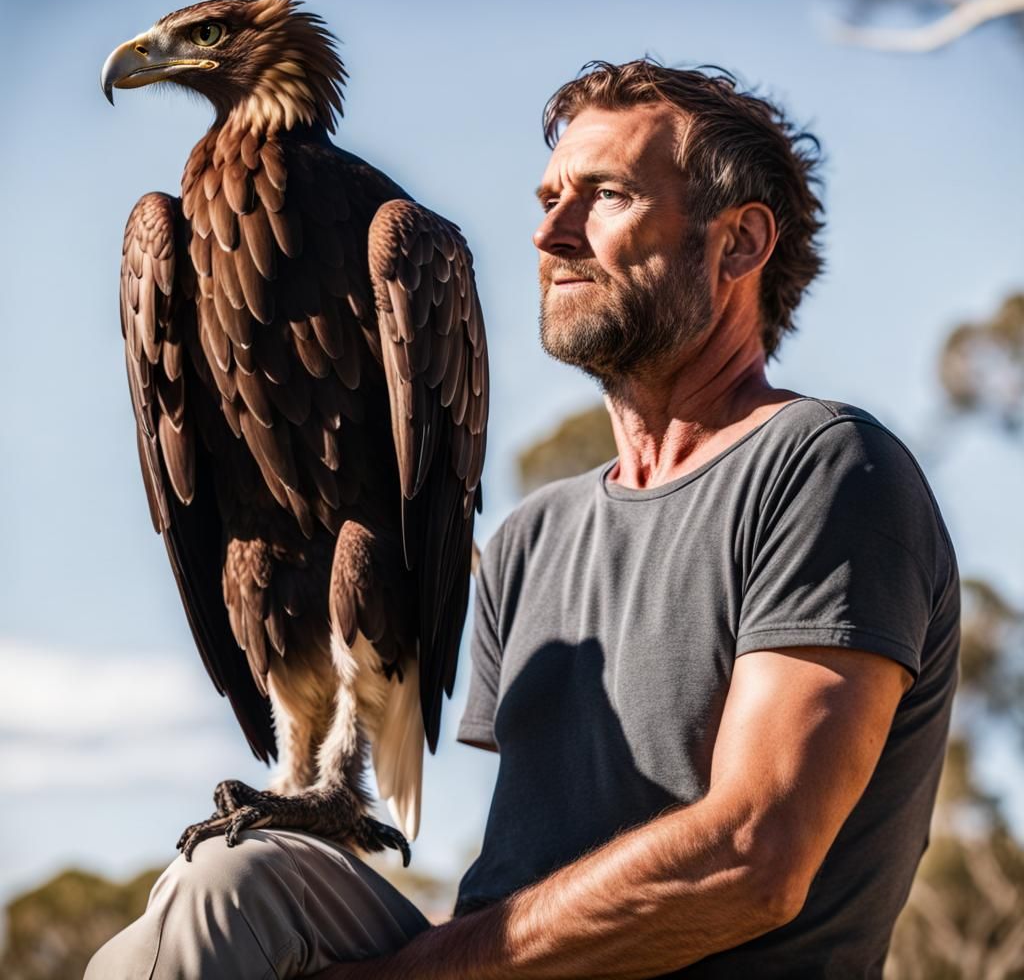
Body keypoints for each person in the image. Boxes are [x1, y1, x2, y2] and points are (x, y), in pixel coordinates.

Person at [86, 59, 959, 980]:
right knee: (208, 892)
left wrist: (405, 977)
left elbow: (752, 858)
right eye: (548, 197)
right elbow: (520, 883)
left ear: (740, 244)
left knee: (225, 891)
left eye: (606, 195)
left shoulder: (826, 469)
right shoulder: (533, 537)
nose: (550, 233)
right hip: (498, 960)